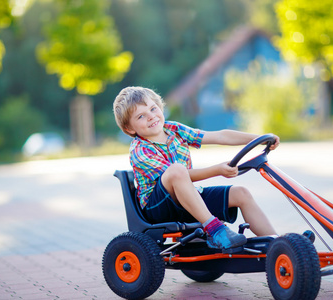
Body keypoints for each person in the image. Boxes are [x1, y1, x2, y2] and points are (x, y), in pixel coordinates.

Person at [113, 86, 279, 250]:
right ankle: (215, 230)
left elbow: (220, 135)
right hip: (158, 208)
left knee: (241, 193)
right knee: (177, 170)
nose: (151, 116)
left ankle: (277, 244)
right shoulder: (140, 149)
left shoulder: (174, 130)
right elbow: (178, 176)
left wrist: (259, 139)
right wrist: (218, 170)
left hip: (187, 199)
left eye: (153, 108)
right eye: (141, 116)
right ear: (129, 128)